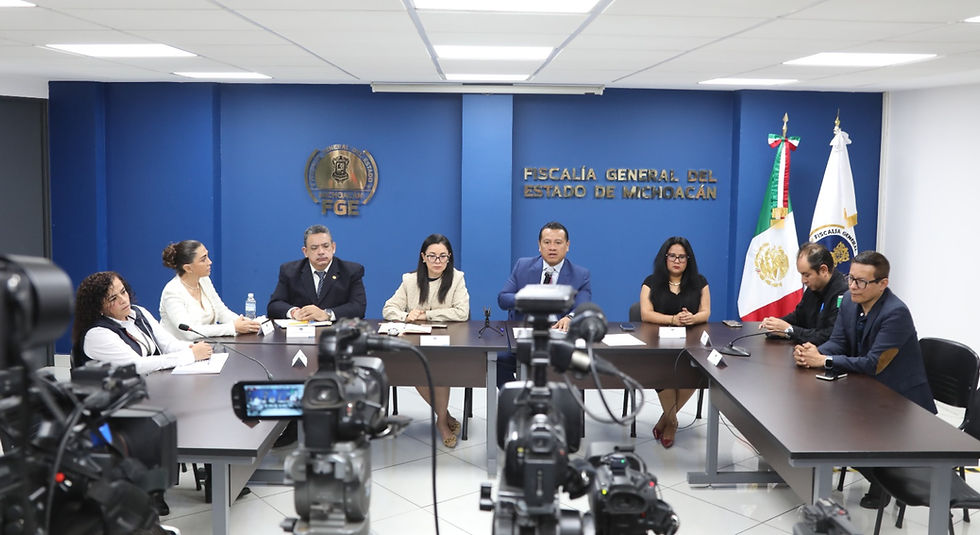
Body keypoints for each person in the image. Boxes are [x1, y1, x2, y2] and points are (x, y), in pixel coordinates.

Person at [793, 250, 935, 508]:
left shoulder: (896, 313)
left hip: (901, 402)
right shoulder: (849, 301)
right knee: (819, 416)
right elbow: (839, 342)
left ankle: (884, 479)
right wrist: (814, 352)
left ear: (883, 283)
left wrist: (823, 360)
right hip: (866, 389)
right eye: (851, 278)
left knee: (842, 428)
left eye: (861, 282)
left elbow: (872, 363)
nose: (853, 286)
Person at [382, 234, 470, 448]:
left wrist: (426, 315)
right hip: (415, 342)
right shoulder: (409, 280)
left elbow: (462, 312)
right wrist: (406, 316)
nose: (437, 261)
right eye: (432, 256)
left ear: (449, 257)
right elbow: (388, 309)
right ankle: (445, 415)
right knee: (415, 369)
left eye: (443, 256)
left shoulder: (457, 278)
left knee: (440, 369)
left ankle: (441, 423)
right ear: (423, 257)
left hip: (444, 343)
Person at [497, 221, 592, 386]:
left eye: (558, 242)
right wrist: (528, 299)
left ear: (567, 246)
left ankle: (562, 399)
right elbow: (503, 299)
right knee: (497, 360)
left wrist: (570, 318)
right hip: (523, 339)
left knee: (578, 363)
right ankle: (518, 398)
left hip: (558, 342)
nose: (552, 247)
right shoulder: (522, 266)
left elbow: (582, 307)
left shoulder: (580, 274)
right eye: (547, 242)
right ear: (539, 245)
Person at [639, 236, 710, 449]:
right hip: (658, 343)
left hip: (691, 343)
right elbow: (645, 314)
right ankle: (672, 422)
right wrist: (672, 319)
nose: (677, 261)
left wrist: (692, 318)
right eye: (672, 256)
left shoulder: (700, 282)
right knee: (664, 374)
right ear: (665, 258)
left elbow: (705, 312)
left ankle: (666, 420)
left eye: (682, 257)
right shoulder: (651, 282)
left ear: (689, 259)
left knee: (696, 373)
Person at [72, 271, 213, 375]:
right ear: (98, 307)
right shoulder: (97, 334)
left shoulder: (138, 312)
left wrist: (193, 348)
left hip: (148, 387)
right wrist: (190, 355)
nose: (123, 300)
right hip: (116, 401)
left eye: (123, 291)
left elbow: (167, 344)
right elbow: (137, 366)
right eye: (113, 298)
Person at [159, 240, 261, 340]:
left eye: (207, 256)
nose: (210, 262)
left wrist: (249, 324)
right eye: (203, 259)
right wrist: (233, 327)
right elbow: (190, 332)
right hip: (182, 348)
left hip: (207, 345)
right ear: (188, 268)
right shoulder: (172, 292)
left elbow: (222, 312)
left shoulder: (204, 280)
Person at [267, 224, 366, 320]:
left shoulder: (351, 271)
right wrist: (295, 312)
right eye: (314, 248)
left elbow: (358, 307)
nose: (321, 252)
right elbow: (274, 305)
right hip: (302, 329)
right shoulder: (290, 271)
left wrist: (327, 314)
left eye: (326, 246)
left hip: (337, 330)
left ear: (333, 247)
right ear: (305, 252)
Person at [759, 242, 848, 345]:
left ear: (823, 270)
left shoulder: (843, 293)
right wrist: (774, 324)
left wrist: (789, 330)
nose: (803, 280)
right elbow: (799, 316)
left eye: (807, 275)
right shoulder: (814, 288)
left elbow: (830, 336)